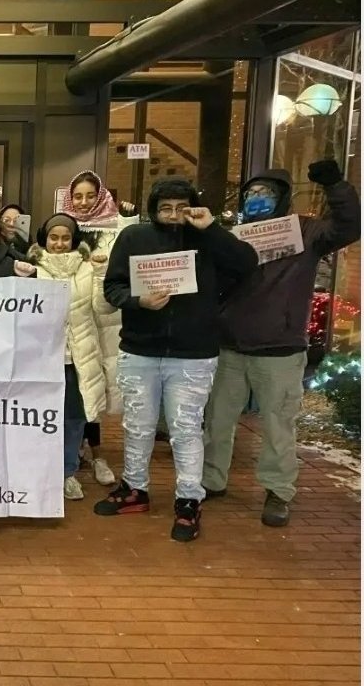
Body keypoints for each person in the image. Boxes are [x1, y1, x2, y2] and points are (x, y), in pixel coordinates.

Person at [96, 178, 258, 542]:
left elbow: (247, 264)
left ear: (193, 207)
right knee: (137, 425)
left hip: (193, 353)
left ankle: (188, 500)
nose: (172, 215)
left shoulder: (208, 238)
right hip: (140, 348)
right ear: (153, 209)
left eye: (181, 208)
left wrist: (210, 228)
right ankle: (134, 488)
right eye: (165, 208)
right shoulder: (134, 237)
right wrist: (139, 301)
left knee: (185, 429)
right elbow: (113, 287)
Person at [203, 161, 360, 526]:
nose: (257, 198)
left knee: (278, 425)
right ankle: (211, 479)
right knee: (217, 420)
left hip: (280, 349)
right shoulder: (234, 236)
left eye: (266, 193)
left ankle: (278, 490)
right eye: (251, 193)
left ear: (282, 197)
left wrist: (336, 186)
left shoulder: (305, 232)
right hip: (229, 346)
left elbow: (349, 226)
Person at [26, 214, 115, 499]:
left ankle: (67, 473)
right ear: (45, 239)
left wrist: (101, 275)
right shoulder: (31, 269)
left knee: (74, 419)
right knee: (37, 417)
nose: (59, 243)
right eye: (54, 238)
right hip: (41, 361)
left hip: (78, 360)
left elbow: (103, 309)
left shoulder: (88, 269)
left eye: (65, 238)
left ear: (74, 240)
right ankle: (38, 471)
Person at [62, 171, 138, 463]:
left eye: (90, 196)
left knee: (96, 385)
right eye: (77, 196)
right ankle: (77, 448)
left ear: (101, 196)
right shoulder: (64, 228)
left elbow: (129, 257)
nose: (83, 202)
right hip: (74, 320)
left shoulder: (115, 229)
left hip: (105, 320)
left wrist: (129, 221)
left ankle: (95, 450)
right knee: (76, 386)